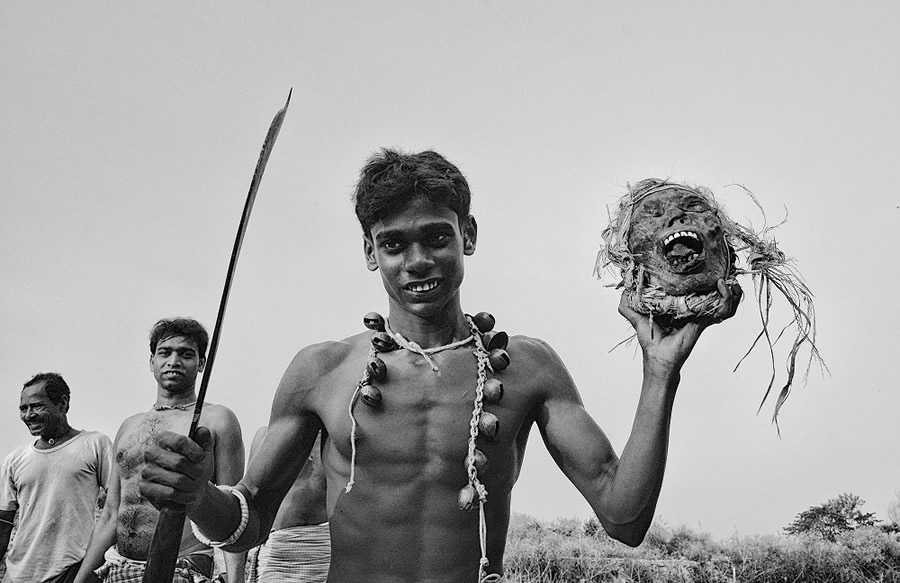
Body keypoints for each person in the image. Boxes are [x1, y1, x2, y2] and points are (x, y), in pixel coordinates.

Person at [138, 149, 741, 582]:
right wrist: (196, 497)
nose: (417, 261)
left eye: (436, 238)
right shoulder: (322, 370)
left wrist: (660, 373)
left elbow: (624, 518)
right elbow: (248, 522)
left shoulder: (527, 368)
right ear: (370, 253)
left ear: (467, 235)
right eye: (394, 244)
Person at [73, 318, 246, 583]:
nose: (174, 361)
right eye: (165, 352)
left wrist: (236, 580)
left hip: (182, 568)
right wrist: (82, 578)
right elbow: (110, 512)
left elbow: (231, 511)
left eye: (186, 354)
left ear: (201, 364)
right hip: (119, 568)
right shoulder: (129, 426)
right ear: (151, 362)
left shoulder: (217, 420)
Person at [1, 373, 113, 583]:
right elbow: (3, 523)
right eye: (23, 409)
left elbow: (116, 507)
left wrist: (90, 571)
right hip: (18, 575)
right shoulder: (14, 460)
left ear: (62, 403)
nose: (28, 415)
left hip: (72, 571)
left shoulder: (95, 444)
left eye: (36, 406)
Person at [244, 428, 328, 583]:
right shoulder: (267, 437)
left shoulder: (346, 442)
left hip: (328, 550)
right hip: (278, 554)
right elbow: (248, 508)